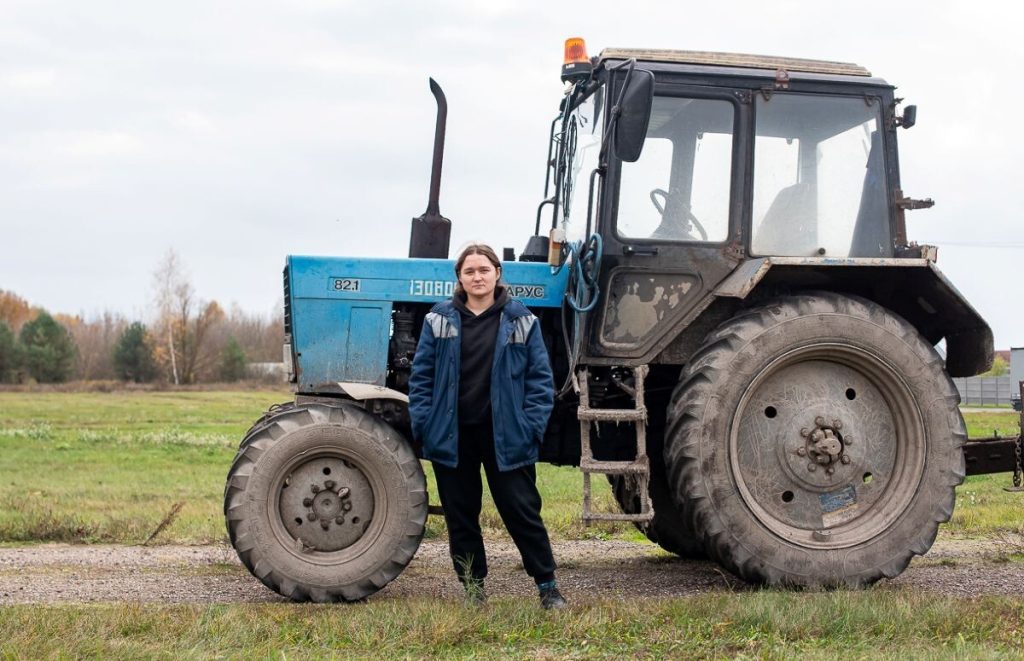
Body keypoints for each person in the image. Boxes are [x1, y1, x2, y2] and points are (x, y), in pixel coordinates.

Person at [408, 243, 567, 610]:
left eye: (484, 269)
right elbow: (421, 378)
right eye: (470, 271)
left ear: (497, 273)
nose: (477, 276)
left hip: (506, 436)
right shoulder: (438, 320)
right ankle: (473, 590)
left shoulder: (522, 320)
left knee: (521, 512)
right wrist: (425, 425)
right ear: (459, 278)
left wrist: (530, 427)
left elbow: (540, 381)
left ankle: (548, 587)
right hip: (453, 436)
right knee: (461, 516)